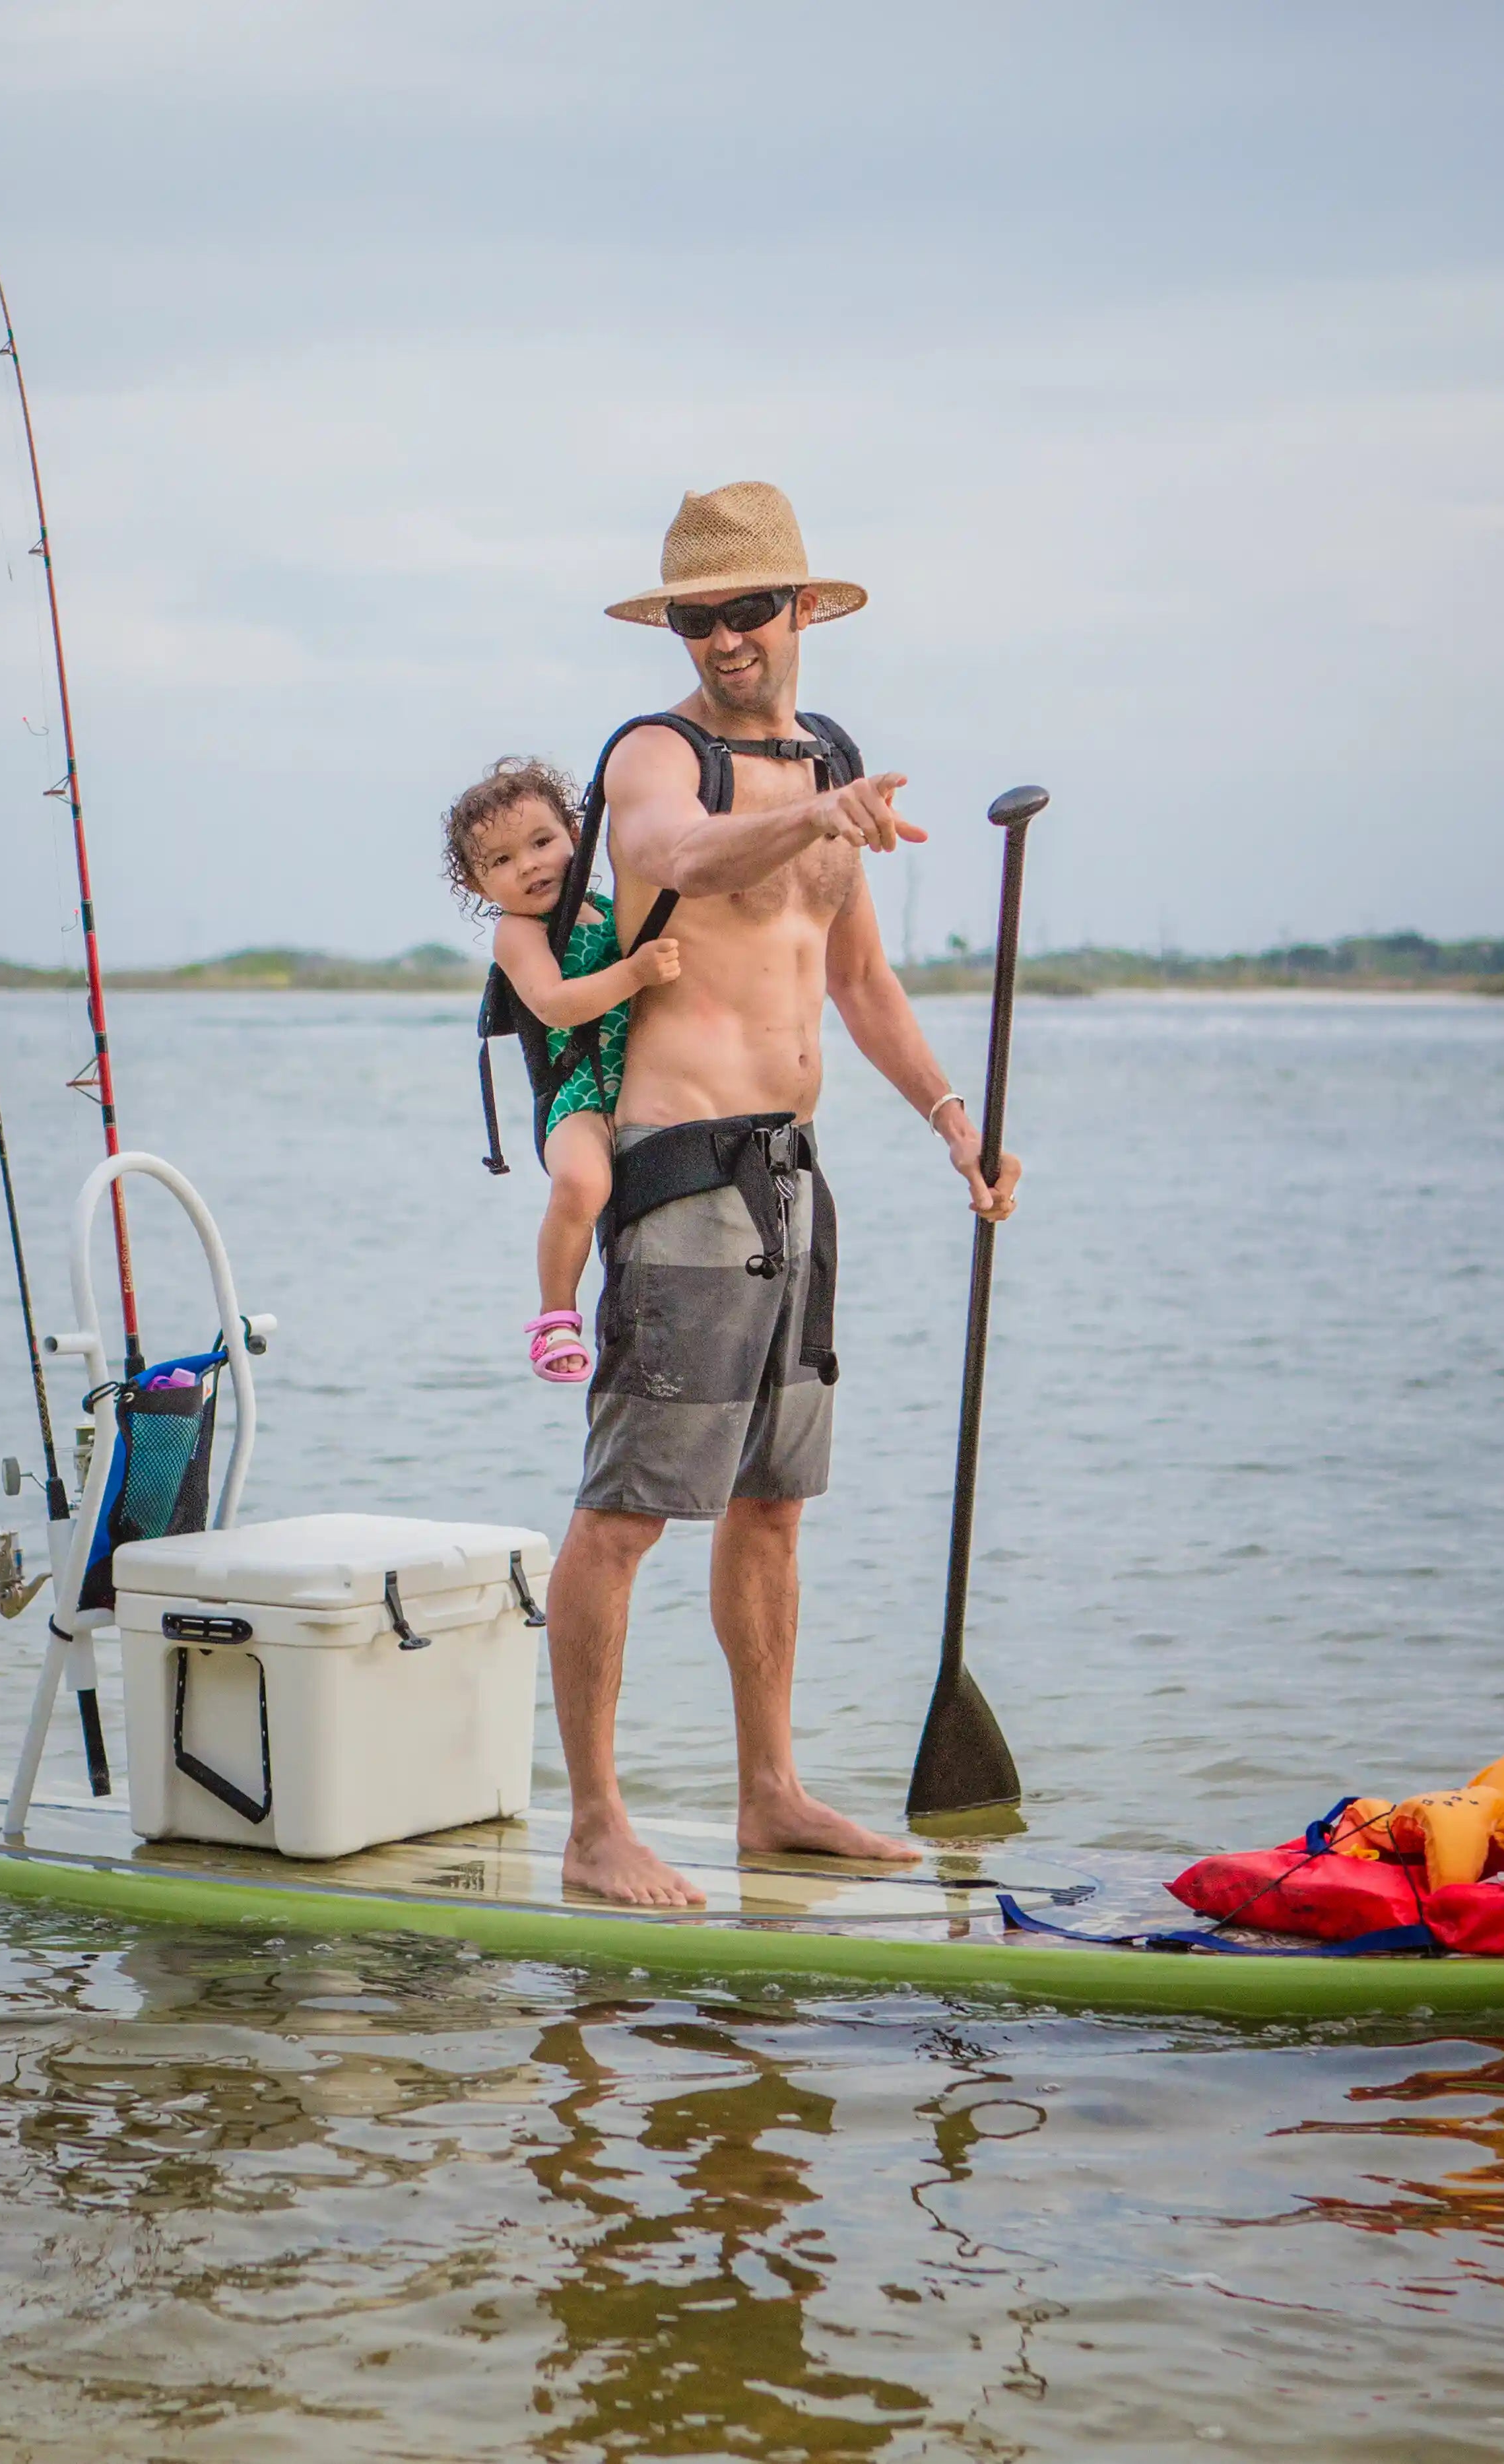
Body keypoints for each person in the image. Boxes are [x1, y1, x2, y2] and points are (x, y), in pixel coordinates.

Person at [546, 481, 1023, 1907]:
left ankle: (771, 1797)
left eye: (747, 610)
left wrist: (952, 1119)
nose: (723, 639)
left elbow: (859, 978)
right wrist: (820, 809)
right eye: (697, 618)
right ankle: (593, 1825)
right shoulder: (657, 755)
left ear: (801, 609)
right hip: (679, 1176)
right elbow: (670, 862)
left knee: (773, 1506)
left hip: (792, 1185)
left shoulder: (834, 762)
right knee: (626, 1514)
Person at [440, 756, 684, 1383]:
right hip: (579, 1093)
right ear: (476, 885)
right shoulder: (520, 934)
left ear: (577, 835)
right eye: (500, 861)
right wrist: (633, 973)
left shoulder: (611, 907)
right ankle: (555, 1316)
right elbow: (552, 1002)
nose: (529, 865)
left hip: (648, 1081)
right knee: (579, 1185)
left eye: (542, 842)